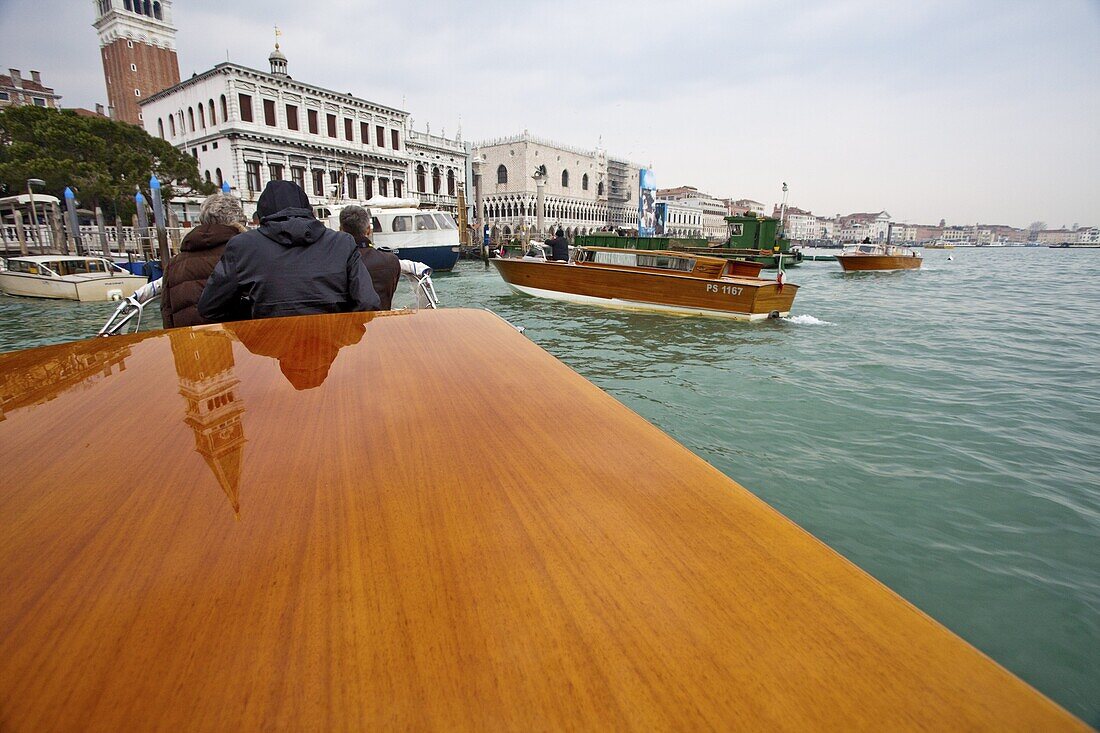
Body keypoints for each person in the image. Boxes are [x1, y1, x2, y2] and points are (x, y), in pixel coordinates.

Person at [198, 181, 380, 321]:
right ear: (308, 210)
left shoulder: (242, 245)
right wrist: (341, 333)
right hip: (331, 346)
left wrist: (256, 315)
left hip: (270, 348)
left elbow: (210, 307)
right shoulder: (342, 242)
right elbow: (368, 302)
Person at [161, 193, 248, 328]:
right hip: (232, 343)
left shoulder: (173, 264)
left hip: (188, 342)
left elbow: (167, 312)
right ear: (236, 221)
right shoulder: (242, 255)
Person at [339, 205, 400, 310]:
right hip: (381, 322)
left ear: (341, 230)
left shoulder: (335, 262)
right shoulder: (391, 261)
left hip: (346, 324)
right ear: (368, 230)